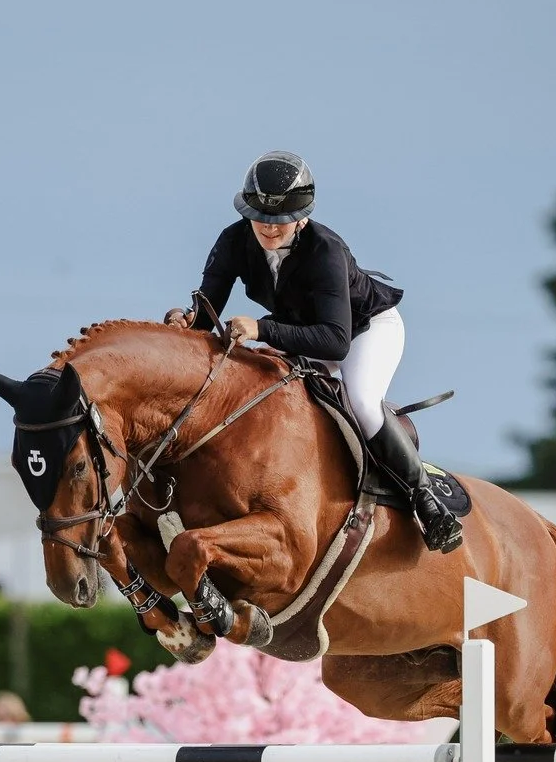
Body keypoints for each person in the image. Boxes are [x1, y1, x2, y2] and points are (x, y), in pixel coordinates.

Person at [166, 151, 463, 554]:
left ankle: (425, 501)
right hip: (304, 330)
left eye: (281, 221)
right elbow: (207, 314)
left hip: (363, 329)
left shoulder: (325, 250)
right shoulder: (232, 240)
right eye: (261, 218)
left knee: (359, 400)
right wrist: (185, 321)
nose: (269, 229)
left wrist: (262, 328)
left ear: (302, 218)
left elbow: (336, 342)